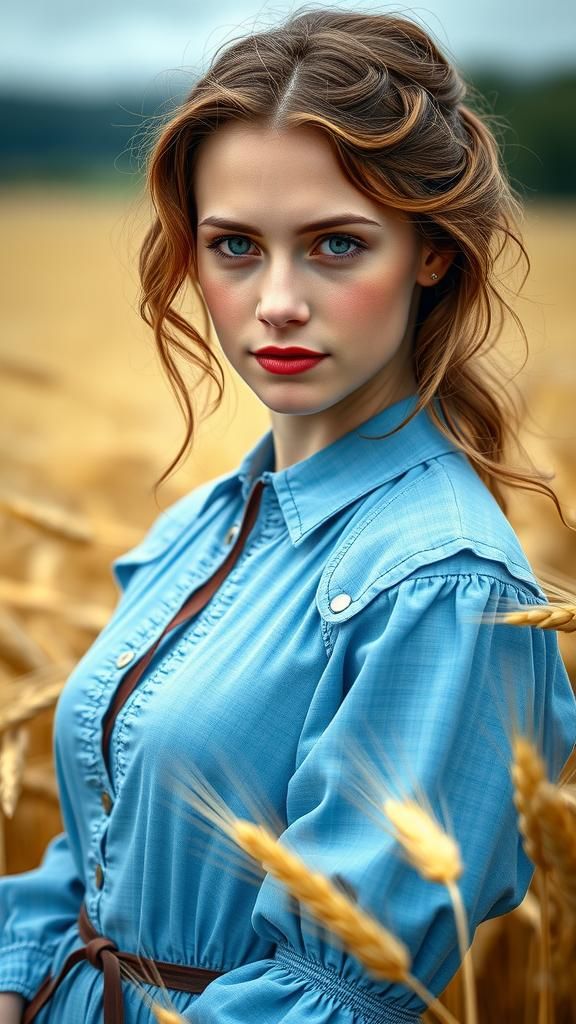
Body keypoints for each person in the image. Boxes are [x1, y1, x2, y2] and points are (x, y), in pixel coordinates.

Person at [1, 6, 575, 1023]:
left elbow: (329, 994)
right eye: (233, 246)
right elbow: (95, 845)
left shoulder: (444, 586)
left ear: (431, 253)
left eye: (336, 245)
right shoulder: (203, 526)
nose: (274, 301)